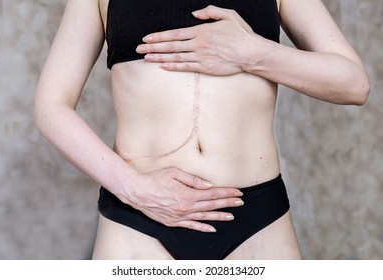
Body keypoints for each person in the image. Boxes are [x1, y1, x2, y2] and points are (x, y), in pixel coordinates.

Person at [34, 0, 370, 260]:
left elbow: (353, 84)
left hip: (256, 219)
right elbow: (51, 105)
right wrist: (136, 190)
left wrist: (252, 52)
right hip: (138, 218)